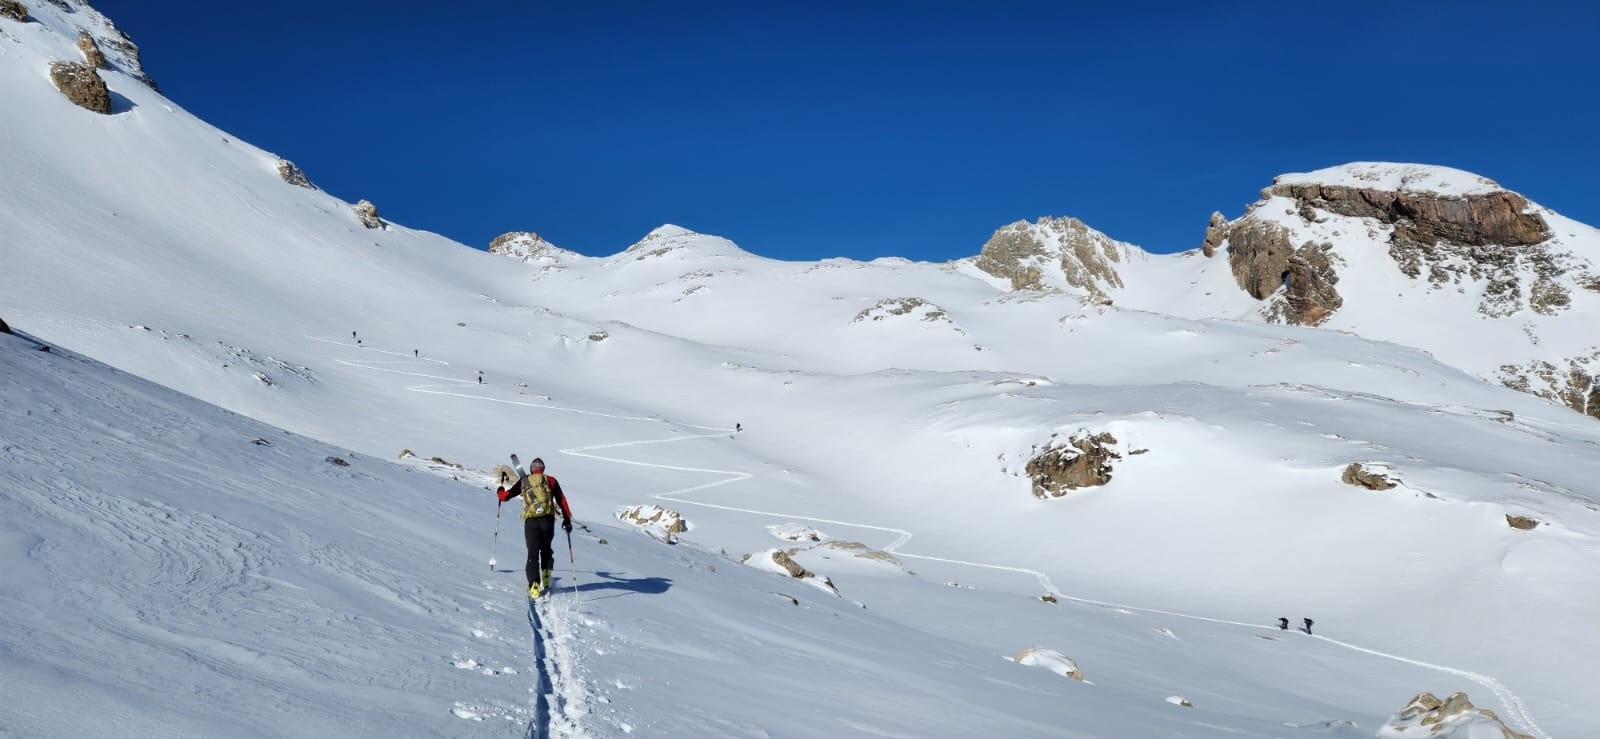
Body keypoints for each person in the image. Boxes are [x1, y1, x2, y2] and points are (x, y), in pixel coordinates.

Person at [496, 457, 574, 599]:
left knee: (532, 554)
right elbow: (561, 500)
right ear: (543, 468)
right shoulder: (551, 480)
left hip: (531, 521)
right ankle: (546, 574)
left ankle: (534, 586)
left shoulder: (525, 481)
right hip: (548, 520)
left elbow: (505, 497)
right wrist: (567, 519)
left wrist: (500, 490)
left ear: (532, 468)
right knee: (546, 549)